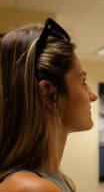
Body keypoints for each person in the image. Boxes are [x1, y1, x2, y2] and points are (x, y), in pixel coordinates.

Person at [0, 18, 98, 192]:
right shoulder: (34, 188)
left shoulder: (40, 179)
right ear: (49, 93)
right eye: (83, 81)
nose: (93, 95)